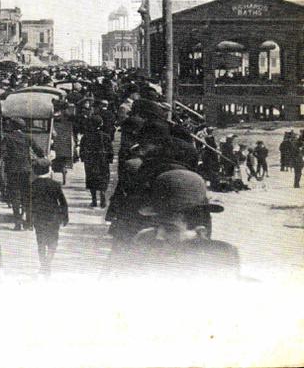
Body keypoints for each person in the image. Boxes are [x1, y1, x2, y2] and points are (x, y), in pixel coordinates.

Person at [107, 169, 240, 280]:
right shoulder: (224, 252)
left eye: (170, 229)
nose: (159, 235)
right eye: (158, 226)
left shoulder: (143, 242)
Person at [29, 158, 69, 277]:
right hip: (53, 218)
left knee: (40, 243)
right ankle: (48, 263)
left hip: (38, 218)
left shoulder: (33, 185)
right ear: (48, 170)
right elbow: (63, 202)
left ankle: (43, 265)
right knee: (53, 242)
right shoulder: (55, 185)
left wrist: (29, 219)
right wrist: (65, 217)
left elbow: (28, 204)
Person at [1, 118, 39, 230]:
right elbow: (37, 149)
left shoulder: (7, 138)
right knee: (27, 195)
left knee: (15, 196)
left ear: (12, 126)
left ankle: (17, 223)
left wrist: (8, 159)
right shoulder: (27, 137)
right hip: (25, 170)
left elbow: (3, 153)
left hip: (12, 171)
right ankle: (29, 223)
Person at [79, 115, 113, 208]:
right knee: (103, 177)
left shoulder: (85, 136)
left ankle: (94, 200)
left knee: (91, 178)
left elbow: (82, 149)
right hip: (103, 160)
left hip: (90, 160)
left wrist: (83, 158)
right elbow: (110, 149)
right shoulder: (106, 136)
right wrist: (110, 159)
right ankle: (102, 194)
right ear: (101, 124)